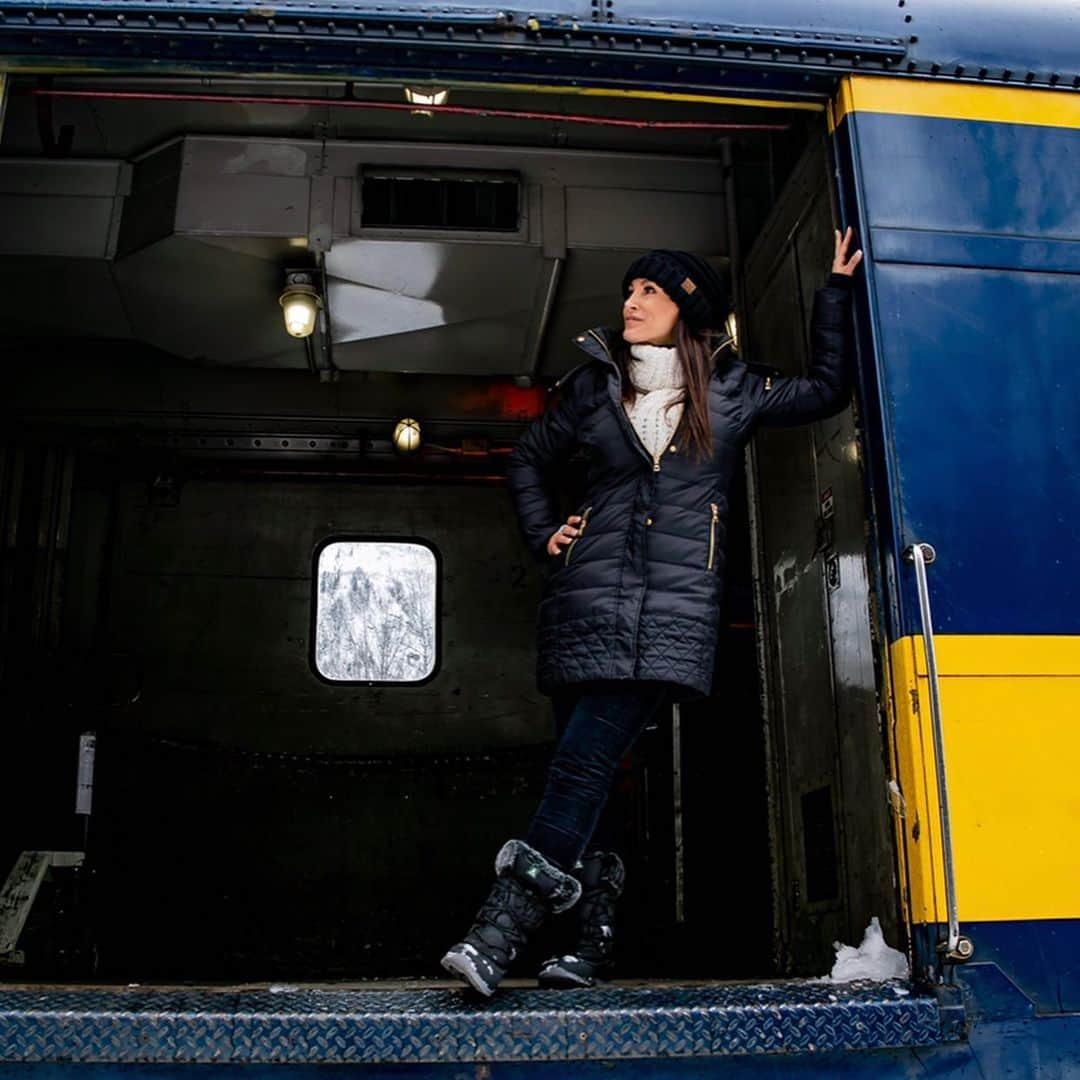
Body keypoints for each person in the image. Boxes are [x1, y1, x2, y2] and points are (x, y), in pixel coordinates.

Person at [441, 229, 864, 996]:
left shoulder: (734, 393)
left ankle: (497, 932)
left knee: (580, 765)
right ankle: (590, 947)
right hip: (583, 603)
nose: (631, 303)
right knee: (588, 778)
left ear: (688, 311)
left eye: (651, 293)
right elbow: (530, 457)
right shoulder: (593, 388)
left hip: (668, 611)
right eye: (631, 291)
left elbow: (829, 388)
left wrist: (835, 291)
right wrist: (546, 533)